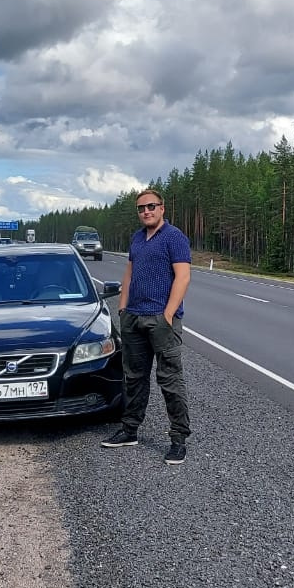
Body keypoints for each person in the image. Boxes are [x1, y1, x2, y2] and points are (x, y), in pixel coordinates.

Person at [101, 188, 192, 464]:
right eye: (141, 208)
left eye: (151, 206)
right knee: (134, 378)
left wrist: (167, 315)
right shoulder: (137, 239)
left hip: (161, 320)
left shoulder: (174, 238)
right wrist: (123, 307)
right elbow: (129, 273)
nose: (146, 212)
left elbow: (183, 277)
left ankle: (178, 439)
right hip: (134, 318)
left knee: (170, 380)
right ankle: (130, 430)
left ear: (162, 208)